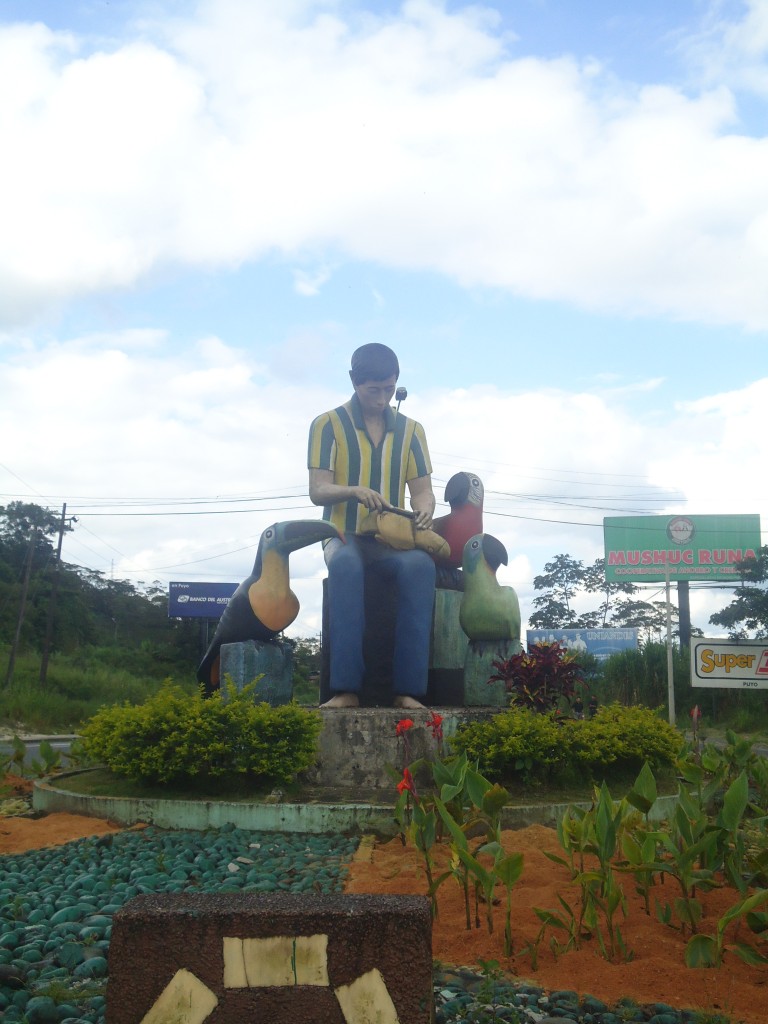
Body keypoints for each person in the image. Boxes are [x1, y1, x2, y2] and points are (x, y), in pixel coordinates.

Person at [308, 343, 436, 709]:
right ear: (353, 382)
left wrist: (424, 510)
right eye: (373, 390)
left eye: (389, 390)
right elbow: (318, 490)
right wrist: (354, 491)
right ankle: (345, 689)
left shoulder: (412, 432)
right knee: (346, 566)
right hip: (341, 534)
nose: (381, 399)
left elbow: (423, 492)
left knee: (420, 567)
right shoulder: (327, 425)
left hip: (388, 539)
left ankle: (408, 690)